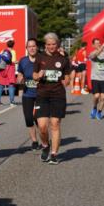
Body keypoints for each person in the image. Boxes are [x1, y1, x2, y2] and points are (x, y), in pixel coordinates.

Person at [33, 32, 72, 164]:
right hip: (42, 94)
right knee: (42, 126)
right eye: (49, 44)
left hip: (58, 95)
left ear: (57, 44)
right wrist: (38, 75)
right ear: (45, 45)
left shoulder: (63, 59)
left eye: (53, 44)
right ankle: (45, 145)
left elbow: (67, 77)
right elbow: (33, 75)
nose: (51, 46)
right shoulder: (39, 57)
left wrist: (66, 82)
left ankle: (54, 154)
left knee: (55, 124)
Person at [16, 38, 41, 149]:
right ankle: (34, 141)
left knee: (39, 119)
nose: (31, 48)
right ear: (26, 48)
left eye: (33, 46)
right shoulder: (23, 61)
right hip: (27, 94)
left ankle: (44, 140)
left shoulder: (42, 60)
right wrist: (20, 79)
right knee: (28, 118)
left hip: (41, 94)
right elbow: (20, 74)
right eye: (29, 46)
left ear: (37, 47)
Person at [88, 38, 104, 120]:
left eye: (99, 43)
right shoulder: (92, 53)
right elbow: (94, 56)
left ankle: (99, 112)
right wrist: (103, 46)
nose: (98, 44)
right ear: (93, 45)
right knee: (96, 96)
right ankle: (94, 108)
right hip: (95, 78)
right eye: (96, 43)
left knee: (103, 97)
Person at [0, 39, 17, 105]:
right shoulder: (13, 51)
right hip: (10, 68)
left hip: (2, 68)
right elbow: (13, 61)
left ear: (7, 45)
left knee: (1, 85)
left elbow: (0, 60)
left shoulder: (3, 51)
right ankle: (11, 102)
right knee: (11, 85)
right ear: (13, 45)